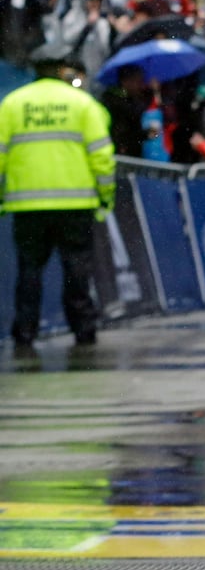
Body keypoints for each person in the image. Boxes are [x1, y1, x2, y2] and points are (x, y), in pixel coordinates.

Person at [0, 42, 116, 351]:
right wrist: (105, 196)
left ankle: (24, 333)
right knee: (77, 271)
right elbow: (102, 156)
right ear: (63, 70)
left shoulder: (12, 104)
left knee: (29, 273)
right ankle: (83, 330)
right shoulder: (82, 104)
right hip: (76, 204)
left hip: (26, 205)